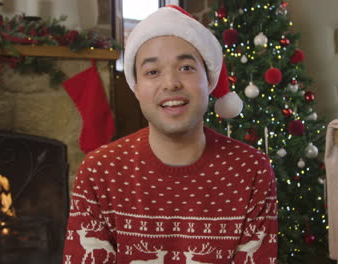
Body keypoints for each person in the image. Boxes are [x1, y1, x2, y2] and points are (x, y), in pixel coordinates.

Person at [63, 5, 277, 264]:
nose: (171, 83)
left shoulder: (252, 169)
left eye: (186, 68)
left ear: (208, 81)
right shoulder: (99, 172)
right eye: (152, 72)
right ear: (136, 88)